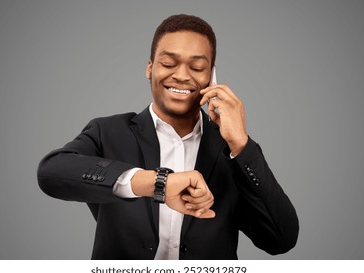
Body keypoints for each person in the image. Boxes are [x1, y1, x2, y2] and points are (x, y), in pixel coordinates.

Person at [37, 14, 299, 260]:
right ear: (150, 68)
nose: (182, 76)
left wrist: (241, 144)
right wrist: (155, 182)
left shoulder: (232, 151)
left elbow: (280, 239)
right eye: (168, 63)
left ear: (211, 77)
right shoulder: (108, 131)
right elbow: (52, 172)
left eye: (197, 67)